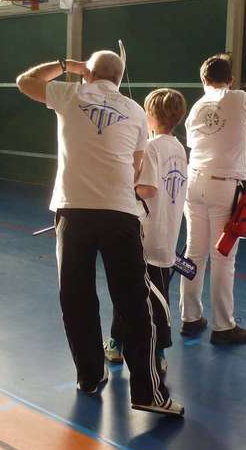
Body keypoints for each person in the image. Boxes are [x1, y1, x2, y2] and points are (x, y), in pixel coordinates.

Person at [16, 51, 184, 416]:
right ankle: (147, 393)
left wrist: (66, 66)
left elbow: (25, 81)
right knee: (133, 303)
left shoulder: (71, 94)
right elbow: (136, 165)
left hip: (73, 212)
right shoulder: (136, 111)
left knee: (75, 298)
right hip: (119, 213)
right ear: (119, 78)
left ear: (88, 74)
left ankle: (90, 376)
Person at [179, 54, 246, 344]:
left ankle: (190, 318)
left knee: (194, 252)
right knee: (223, 256)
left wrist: (230, 134)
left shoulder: (196, 107)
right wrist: (237, 134)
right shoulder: (240, 98)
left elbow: (198, 142)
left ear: (203, 80)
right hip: (223, 185)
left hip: (194, 182)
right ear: (230, 80)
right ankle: (223, 326)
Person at [105, 88, 189, 374]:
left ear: (151, 116)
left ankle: (120, 344)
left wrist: (124, 186)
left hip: (146, 234)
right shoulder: (179, 148)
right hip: (167, 234)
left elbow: (148, 189)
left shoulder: (152, 147)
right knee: (158, 294)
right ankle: (154, 350)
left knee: (129, 289)